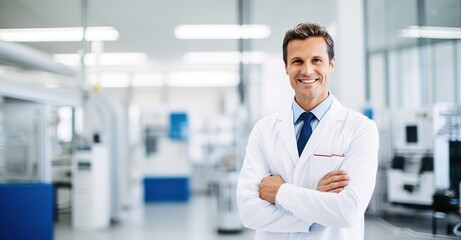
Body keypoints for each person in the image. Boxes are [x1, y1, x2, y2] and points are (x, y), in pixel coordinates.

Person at [236, 22, 379, 240]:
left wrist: (280, 193)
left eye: (316, 60)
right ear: (286, 67)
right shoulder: (264, 130)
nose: (307, 70)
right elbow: (248, 211)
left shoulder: (360, 129)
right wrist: (317, 205)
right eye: (297, 61)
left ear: (331, 64)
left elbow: (348, 210)